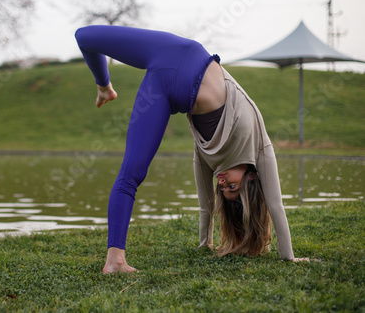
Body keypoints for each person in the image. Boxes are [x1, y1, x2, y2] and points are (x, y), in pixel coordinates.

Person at [75, 25, 310, 274]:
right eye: (232, 186)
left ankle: (114, 262)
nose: (222, 183)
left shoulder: (209, 156)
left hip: (163, 90)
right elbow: (275, 205)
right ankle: (104, 86)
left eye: (224, 190)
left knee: (131, 173)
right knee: (85, 37)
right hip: (179, 53)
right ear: (251, 178)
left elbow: (205, 205)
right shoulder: (261, 147)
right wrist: (289, 257)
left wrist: (204, 243)